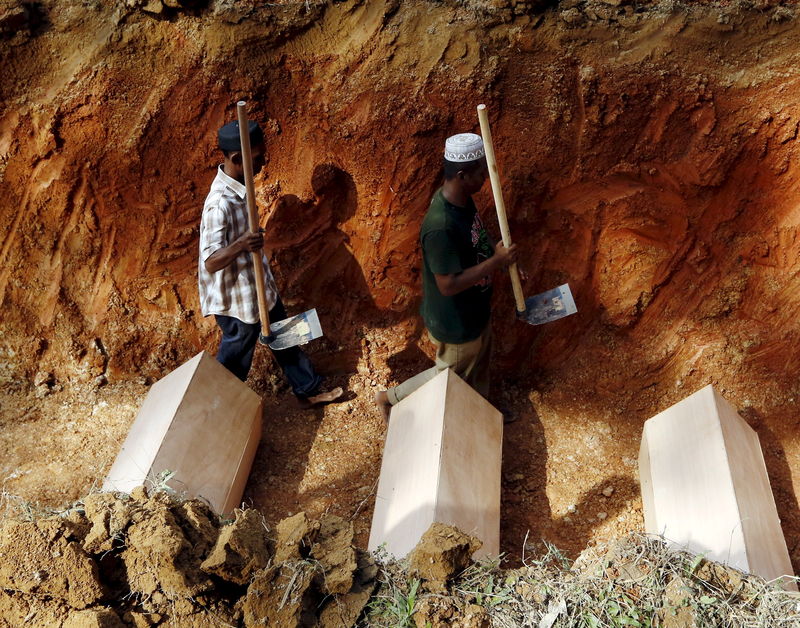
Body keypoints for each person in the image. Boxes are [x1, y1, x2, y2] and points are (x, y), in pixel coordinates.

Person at [198, 118, 342, 407]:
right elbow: (211, 262)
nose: (264, 163)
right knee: (233, 362)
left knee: (287, 336)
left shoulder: (242, 187)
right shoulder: (219, 203)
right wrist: (242, 244)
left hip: (259, 288)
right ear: (238, 158)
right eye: (258, 158)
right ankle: (212, 409)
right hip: (238, 304)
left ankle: (309, 388)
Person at [374, 132, 518, 421]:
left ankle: (480, 414)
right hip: (455, 320)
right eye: (481, 173)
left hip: (475, 308)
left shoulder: (463, 200)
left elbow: (478, 235)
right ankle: (390, 399)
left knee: (478, 367)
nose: (485, 179)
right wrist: (495, 262)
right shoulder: (440, 225)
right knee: (447, 376)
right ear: (463, 175)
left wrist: (501, 258)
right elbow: (448, 284)